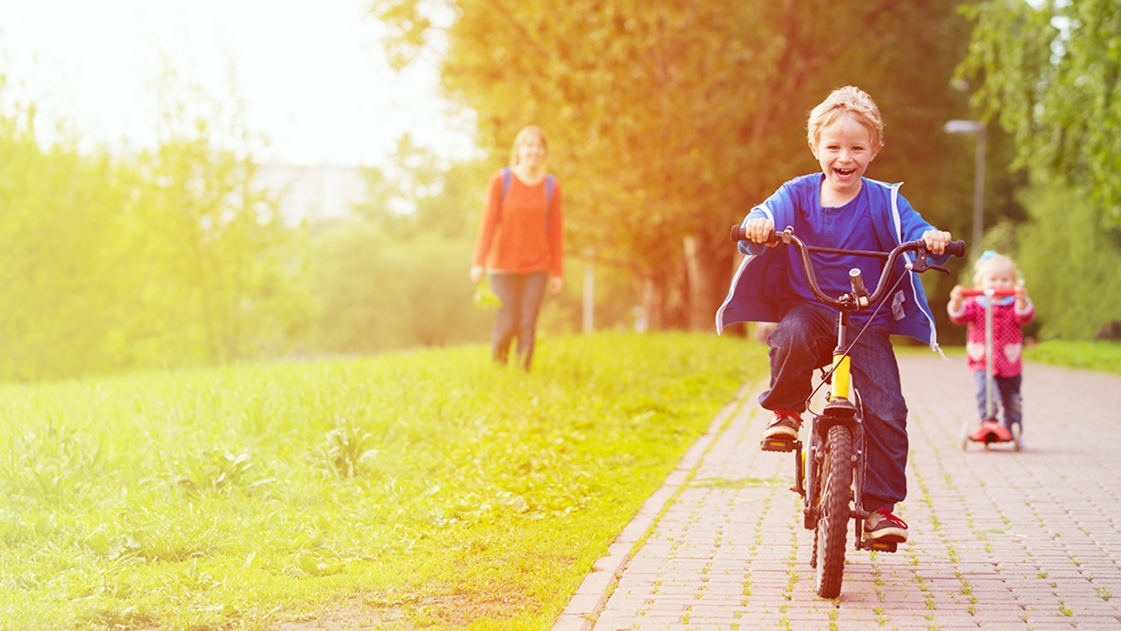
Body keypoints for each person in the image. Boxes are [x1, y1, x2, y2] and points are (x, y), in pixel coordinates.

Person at [715, 86, 956, 544]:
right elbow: (764, 212)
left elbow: (915, 229)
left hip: (868, 319)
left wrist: (931, 239)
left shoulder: (884, 200)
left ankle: (880, 508)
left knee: (888, 407)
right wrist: (760, 225)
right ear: (815, 148)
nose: (844, 157)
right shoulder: (798, 194)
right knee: (790, 334)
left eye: (856, 148)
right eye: (834, 147)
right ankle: (786, 412)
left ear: (875, 150)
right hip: (810, 308)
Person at [470, 126, 564, 371]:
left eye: (539, 146)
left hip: (537, 265)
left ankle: (523, 375)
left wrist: (558, 273)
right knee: (507, 322)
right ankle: (499, 369)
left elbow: (556, 233)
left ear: (544, 152)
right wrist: (478, 262)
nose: (534, 150)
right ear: (519, 149)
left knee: (527, 323)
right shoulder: (502, 180)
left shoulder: (551, 186)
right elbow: (488, 223)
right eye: (528, 145)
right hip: (503, 265)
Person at [947, 251, 1034, 440]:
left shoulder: (1013, 305)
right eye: (993, 279)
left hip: (1009, 363)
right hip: (982, 361)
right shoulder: (975, 304)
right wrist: (956, 301)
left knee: (1012, 400)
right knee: (986, 393)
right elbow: (959, 317)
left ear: (1013, 282)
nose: (999, 284)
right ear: (980, 283)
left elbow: (1025, 315)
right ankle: (988, 422)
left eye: (1005, 280)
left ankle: (1012, 429)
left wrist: (1022, 300)